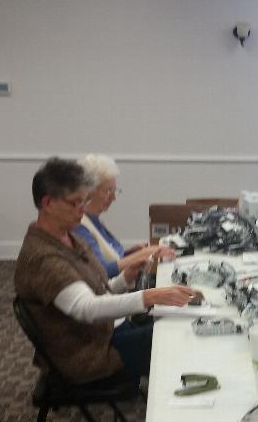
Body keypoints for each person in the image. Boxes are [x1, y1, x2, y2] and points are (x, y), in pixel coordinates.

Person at [15, 157, 194, 384]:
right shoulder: (43, 257)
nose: (82, 210)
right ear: (48, 203)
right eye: (75, 203)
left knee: (180, 324)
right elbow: (86, 308)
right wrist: (149, 296)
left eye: (84, 201)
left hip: (105, 332)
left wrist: (125, 278)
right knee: (177, 339)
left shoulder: (67, 237)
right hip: (88, 352)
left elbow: (97, 290)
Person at [74, 154, 156, 278]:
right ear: (89, 192)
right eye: (108, 191)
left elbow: (110, 258)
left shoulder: (95, 221)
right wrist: (142, 254)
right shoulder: (79, 227)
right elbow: (102, 271)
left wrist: (128, 254)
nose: (113, 197)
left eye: (114, 191)